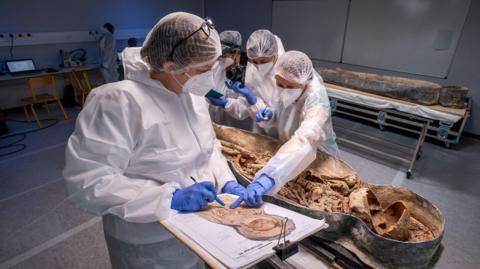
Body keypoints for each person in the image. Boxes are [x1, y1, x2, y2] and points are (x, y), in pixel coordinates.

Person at [63, 12, 246, 268]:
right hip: (148, 241)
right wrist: (167, 199)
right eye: (204, 70)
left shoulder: (191, 93)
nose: (209, 77)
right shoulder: (117, 102)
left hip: (201, 227)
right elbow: (89, 182)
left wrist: (225, 181)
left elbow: (208, 148)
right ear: (171, 65)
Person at [231, 51, 338, 208]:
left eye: (291, 87)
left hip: (318, 160)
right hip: (289, 158)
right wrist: (270, 115)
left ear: (305, 83)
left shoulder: (316, 100)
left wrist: (269, 176)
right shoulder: (284, 80)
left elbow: (306, 139)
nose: (284, 89)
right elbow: (280, 108)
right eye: (280, 85)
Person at [208, 29, 285, 134]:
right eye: (255, 61)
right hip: (261, 129)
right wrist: (227, 103)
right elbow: (246, 106)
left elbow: (288, 109)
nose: (259, 65)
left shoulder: (288, 70)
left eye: (263, 61)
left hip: (286, 130)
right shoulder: (252, 73)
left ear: (274, 54)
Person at [207, 30, 252, 130]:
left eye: (224, 55)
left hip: (240, 129)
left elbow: (246, 109)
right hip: (217, 126)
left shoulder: (248, 72)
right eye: (219, 55)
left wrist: (226, 103)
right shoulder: (217, 66)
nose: (220, 58)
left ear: (236, 53)